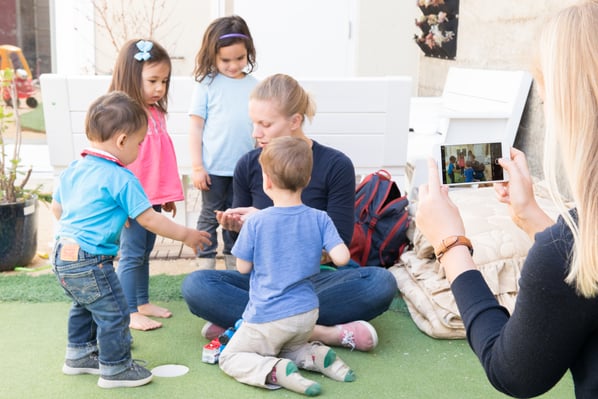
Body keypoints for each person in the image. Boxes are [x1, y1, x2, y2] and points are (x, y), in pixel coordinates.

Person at [415, 2, 598, 397]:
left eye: (549, 105)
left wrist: (450, 244)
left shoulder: (564, 248)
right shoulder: (571, 244)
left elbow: (512, 371)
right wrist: (532, 217)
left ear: (574, 109)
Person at [182, 74, 398, 352]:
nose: (255, 133)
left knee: (379, 283)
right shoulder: (248, 164)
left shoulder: (336, 165)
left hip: (317, 278)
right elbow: (242, 255)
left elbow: (339, 246)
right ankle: (322, 333)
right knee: (197, 285)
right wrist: (238, 227)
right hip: (265, 282)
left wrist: (268, 220)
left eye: (265, 124)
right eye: (253, 123)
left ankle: (250, 325)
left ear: (295, 121)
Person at [51, 92, 211, 389]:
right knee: (115, 312)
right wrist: (187, 234)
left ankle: (79, 355)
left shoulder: (74, 169)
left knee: (84, 305)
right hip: (90, 259)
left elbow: (58, 208)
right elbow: (149, 218)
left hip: (62, 253)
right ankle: (116, 368)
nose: (139, 149)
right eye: (139, 143)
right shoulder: (121, 177)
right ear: (122, 141)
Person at [219, 136, 355, 396]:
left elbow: (243, 269)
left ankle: (274, 370)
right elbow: (342, 259)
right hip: (307, 314)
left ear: (267, 181)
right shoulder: (320, 217)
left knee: (230, 357)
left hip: (268, 316)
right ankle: (316, 356)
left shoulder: (257, 223)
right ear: (306, 180)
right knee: (291, 347)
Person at [108, 39, 185, 331]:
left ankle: (141, 301)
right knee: (132, 253)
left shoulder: (156, 113)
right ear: (131, 76)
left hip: (151, 196)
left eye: (164, 81)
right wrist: (120, 203)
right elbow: (114, 161)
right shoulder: (124, 117)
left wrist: (165, 194)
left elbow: (159, 158)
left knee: (145, 251)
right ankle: (128, 310)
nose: (160, 88)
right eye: (152, 80)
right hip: (131, 199)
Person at [189, 15, 258, 270]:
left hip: (244, 171)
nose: (233, 65)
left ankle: (235, 268)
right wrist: (197, 167)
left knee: (236, 219)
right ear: (213, 56)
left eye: (239, 58)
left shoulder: (255, 87)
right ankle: (204, 268)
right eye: (225, 60)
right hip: (213, 170)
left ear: (248, 53)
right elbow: (196, 127)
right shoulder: (207, 85)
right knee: (209, 217)